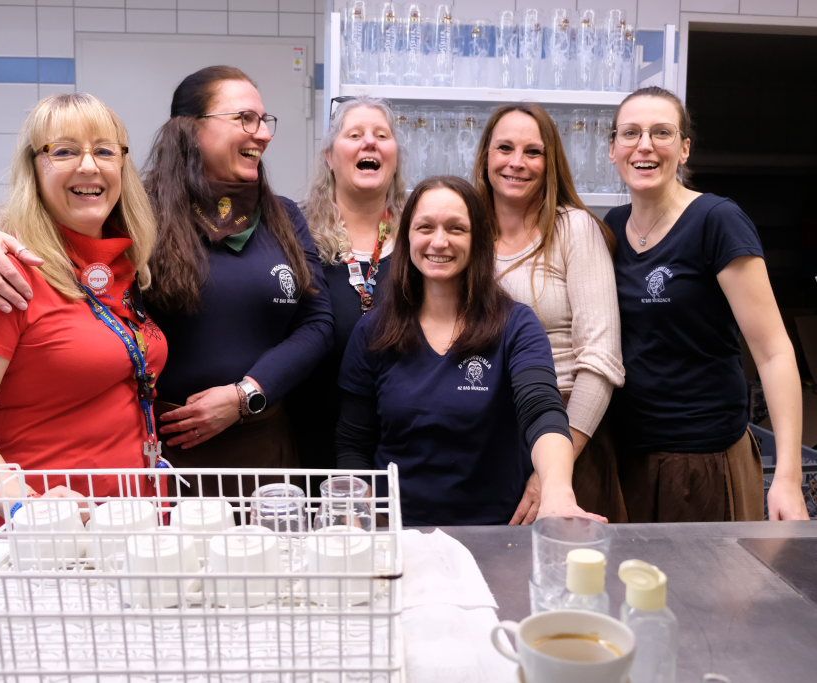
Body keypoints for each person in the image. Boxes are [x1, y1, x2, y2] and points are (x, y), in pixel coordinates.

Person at [0, 67, 333, 495]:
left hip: (246, 441)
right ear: (191, 129)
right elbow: (52, 226)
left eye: (263, 120)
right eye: (244, 118)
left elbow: (317, 321)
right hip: (151, 453)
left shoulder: (280, 216)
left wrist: (247, 394)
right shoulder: (141, 214)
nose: (263, 133)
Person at [0, 93, 166, 509]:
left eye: (105, 151)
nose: (89, 166)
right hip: (45, 527)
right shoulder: (2, 276)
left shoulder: (122, 267)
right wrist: (29, 506)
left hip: (129, 515)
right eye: (64, 151)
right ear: (34, 169)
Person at [335, 175, 605, 526]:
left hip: (495, 534)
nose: (439, 241)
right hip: (400, 532)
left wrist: (557, 492)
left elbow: (542, 411)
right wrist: (358, 512)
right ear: (407, 237)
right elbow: (353, 443)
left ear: (478, 239)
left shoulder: (515, 325)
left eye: (456, 228)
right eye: (425, 227)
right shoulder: (373, 331)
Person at [606, 86, 808, 522]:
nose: (645, 145)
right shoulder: (614, 227)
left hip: (704, 460)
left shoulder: (717, 221)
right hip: (630, 456)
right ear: (613, 149)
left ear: (684, 149)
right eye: (631, 133)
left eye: (661, 132)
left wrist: (788, 477)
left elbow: (773, 352)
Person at [473, 103, 626, 524]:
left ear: (551, 162)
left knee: (565, 562)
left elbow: (601, 361)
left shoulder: (573, 229)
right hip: (486, 442)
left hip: (568, 432)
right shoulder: (469, 233)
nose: (517, 162)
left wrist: (553, 469)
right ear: (485, 155)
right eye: (505, 148)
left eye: (533, 152)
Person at [288, 96, 405, 471]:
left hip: (400, 440)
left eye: (381, 135)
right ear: (329, 156)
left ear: (395, 156)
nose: (369, 142)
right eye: (355, 135)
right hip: (310, 433)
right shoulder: (293, 233)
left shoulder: (421, 237)